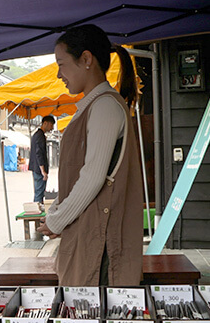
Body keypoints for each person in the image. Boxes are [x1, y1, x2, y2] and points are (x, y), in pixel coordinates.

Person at [36, 24, 143, 286]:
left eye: (61, 64)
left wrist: (56, 220)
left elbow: (92, 178)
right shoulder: (95, 105)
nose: (59, 74)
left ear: (86, 59)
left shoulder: (105, 105)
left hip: (101, 245)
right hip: (89, 236)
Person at [28, 115, 55, 204]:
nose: (52, 128)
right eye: (51, 125)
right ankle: (37, 215)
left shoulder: (37, 135)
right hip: (39, 170)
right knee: (39, 194)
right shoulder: (40, 136)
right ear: (45, 123)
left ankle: (37, 213)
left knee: (38, 193)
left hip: (36, 169)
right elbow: (39, 153)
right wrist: (43, 171)